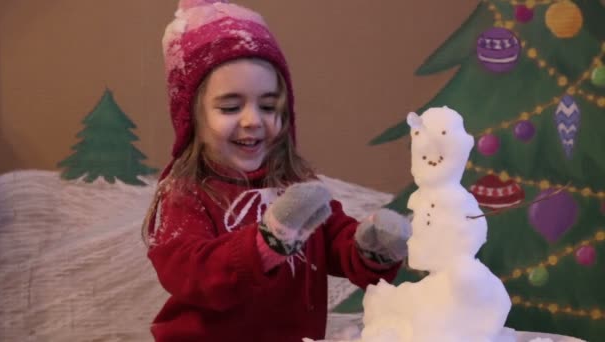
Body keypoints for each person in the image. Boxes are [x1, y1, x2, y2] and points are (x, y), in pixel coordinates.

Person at [142, 1, 412, 341]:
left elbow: (336, 243)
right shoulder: (183, 194)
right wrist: (265, 243)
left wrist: (369, 248)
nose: (253, 120)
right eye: (230, 106)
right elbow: (190, 273)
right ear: (191, 116)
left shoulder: (295, 185)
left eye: (268, 106)